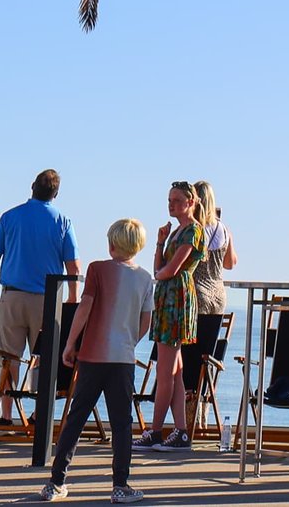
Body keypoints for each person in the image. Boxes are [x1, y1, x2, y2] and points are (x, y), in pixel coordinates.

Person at [43, 217, 156, 504]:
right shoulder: (145, 278)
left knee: (77, 418)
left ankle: (56, 482)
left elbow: (85, 307)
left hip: (93, 355)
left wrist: (71, 343)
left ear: (112, 243)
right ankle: (120, 485)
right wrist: (130, 341)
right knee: (121, 423)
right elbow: (146, 321)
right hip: (123, 359)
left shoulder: (97, 269)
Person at [0, 169, 82, 431]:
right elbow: (73, 267)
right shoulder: (63, 221)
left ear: (32, 187)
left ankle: (6, 414)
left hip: (13, 296)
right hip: (47, 301)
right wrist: (72, 302)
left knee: (9, 357)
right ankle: (40, 414)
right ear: (56, 193)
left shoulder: (10, 217)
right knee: (42, 357)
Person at [138, 181, 202, 451]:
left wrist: (162, 271)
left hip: (177, 298)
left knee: (166, 370)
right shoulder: (176, 232)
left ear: (190, 202)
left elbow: (171, 269)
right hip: (167, 297)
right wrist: (160, 242)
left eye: (177, 200)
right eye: (169, 200)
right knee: (174, 371)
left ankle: (155, 430)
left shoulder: (193, 231)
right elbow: (159, 267)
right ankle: (180, 431)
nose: (171, 204)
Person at [188, 181, 237, 437]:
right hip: (218, 295)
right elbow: (231, 263)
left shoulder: (195, 230)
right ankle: (202, 418)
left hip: (197, 295)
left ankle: (188, 419)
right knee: (206, 358)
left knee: (191, 356)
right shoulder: (222, 228)